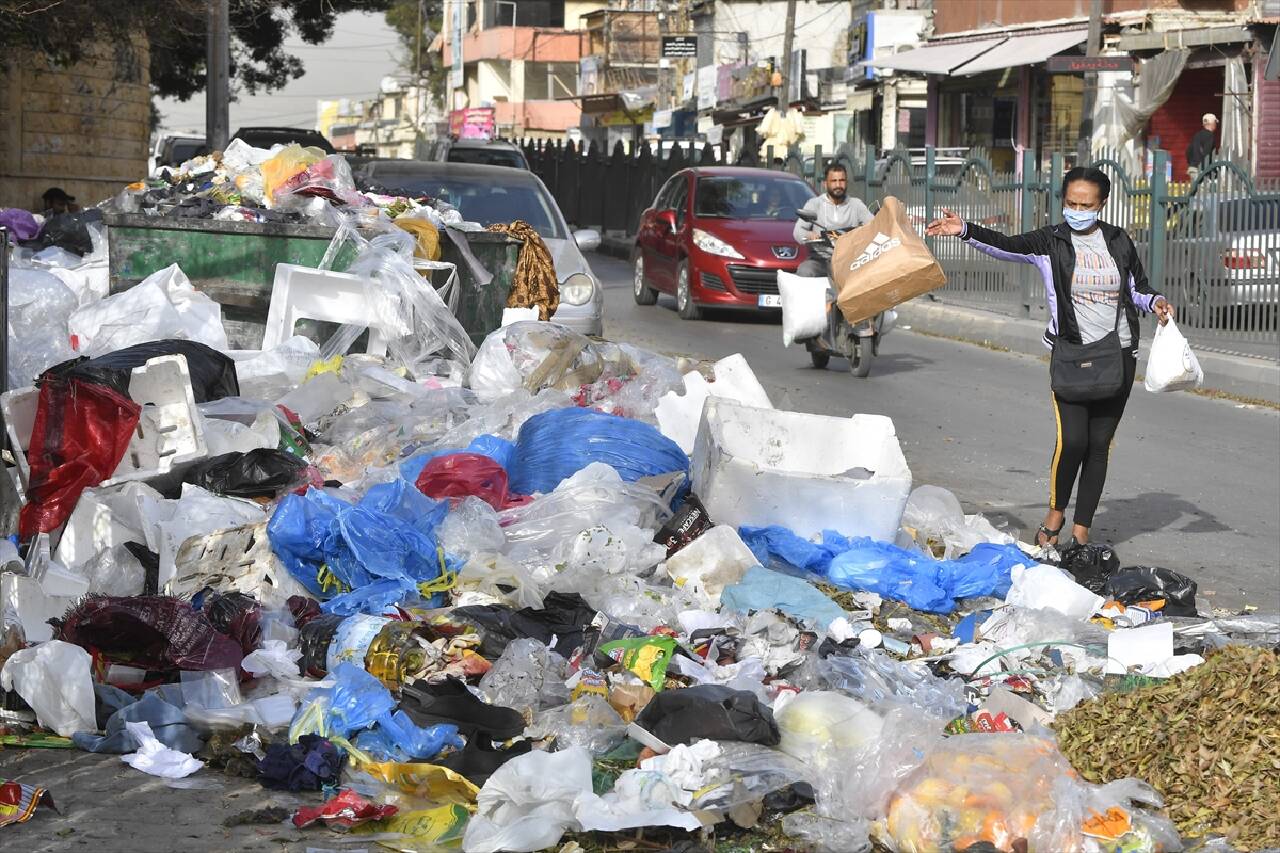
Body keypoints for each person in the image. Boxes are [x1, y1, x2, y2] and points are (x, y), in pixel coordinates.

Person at [925, 167, 1174, 549]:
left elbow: (1137, 288)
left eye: (1086, 204)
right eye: (1071, 203)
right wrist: (965, 230)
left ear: (1101, 204)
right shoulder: (1050, 241)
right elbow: (1006, 245)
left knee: (1098, 444)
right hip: (1072, 355)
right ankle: (1056, 513)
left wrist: (1155, 302)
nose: (1077, 210)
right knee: (1072, 441)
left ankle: (1081, 531)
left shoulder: (1119, 241)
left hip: (1118, 355)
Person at [794, 162, 873, 276]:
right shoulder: (814, 204)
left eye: (841, 180)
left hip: (849, 261)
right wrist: (808, 234)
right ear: (826, 184)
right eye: (834, 181)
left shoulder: (856, 205)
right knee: (805, 270)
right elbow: (797, 231)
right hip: (820, 260)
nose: (838, 185)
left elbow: (874, 224)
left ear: (846, 182)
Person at [1185, 114, 1217, 180]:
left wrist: (1192, 163)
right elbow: (1207, 153)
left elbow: (1188, 151)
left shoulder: (1197, 135)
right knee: (1205, 189)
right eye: (1215, 122)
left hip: (1192, 168)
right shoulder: (1210, 136)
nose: (1216, 125)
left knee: (1196, 189)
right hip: (1201, 170)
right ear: (1212, 123)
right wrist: (1212, 170)